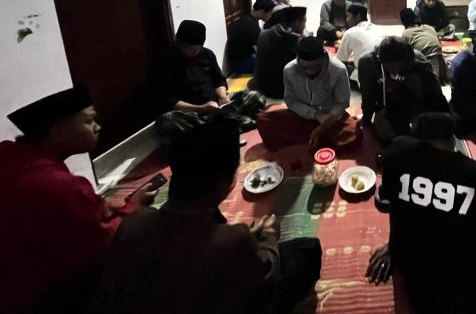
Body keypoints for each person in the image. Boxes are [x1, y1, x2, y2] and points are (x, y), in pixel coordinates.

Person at [91, 117, 321, 314]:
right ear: (225, 184)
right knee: (306, 250)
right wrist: (269, 236)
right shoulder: (232, 240)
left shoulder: (133, 222)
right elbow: (266, 271)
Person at [366, 112, 476, 314]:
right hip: (464, 286)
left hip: (413, 278)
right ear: (453, 141)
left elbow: (391, 202)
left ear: (415, 136)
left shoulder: (398, 154)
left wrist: (395, 245)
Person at [0, 87, 155, 314]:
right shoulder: (61, 185)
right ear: (58, 129)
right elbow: (101, 245)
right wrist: (134, 207)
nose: (98, 127)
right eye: (89, 121)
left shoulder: (8, 154)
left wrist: (96, 206)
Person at [257, 37, 360, 151]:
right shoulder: (289, 70)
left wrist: (323, 127)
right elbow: (291, 101)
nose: (310, 72)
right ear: (298, 60)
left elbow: (342, 103)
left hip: (330, 118)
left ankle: (314, 137)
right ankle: (320, 138)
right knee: (264, 120)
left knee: (354, 133)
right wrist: (315, 115)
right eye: (305, 67)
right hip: (302, 116)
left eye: (315, 67)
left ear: (323, 58)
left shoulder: (338, 69)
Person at [358, 37, 449, 143]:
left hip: (413, 99)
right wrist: (367, 120)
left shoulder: (418, 60)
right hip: (385, 102)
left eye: (398, 67)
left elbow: (435, 92)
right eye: (390, 69)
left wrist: (439, 119)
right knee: (385, 136)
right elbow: (367, 95)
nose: (395, 72)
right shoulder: (367, 63)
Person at [151, 20, 228, 116]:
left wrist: (222, 97)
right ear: (178, 43)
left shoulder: (207, 54)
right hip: (187, 113)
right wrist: (201, 109)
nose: (195, 53)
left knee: (245, 99)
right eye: (189, 49)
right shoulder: (165, 61)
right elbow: (168, 99)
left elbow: (219, 80)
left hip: (213, 106)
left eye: (198, 49)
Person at [249, 7, 307, 99]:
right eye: (305, 22)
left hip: (260, 85)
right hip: (280, 91)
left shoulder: (264, 33)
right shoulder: (293, 41)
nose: (305, 26)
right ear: (297, 22)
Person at [226, 0, 276, 74]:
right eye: (270, 14)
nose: (270, 16)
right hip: (242, 63)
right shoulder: (251, 26)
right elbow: (260, 51)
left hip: (239, 60)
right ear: (262, 12)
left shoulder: (247, 19)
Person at [336, 3, 384, 83]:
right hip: (382, 73)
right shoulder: (378, 29)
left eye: (348, 16)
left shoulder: (350, 32)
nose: (346, 20)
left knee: (339, 66)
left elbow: (340, 59)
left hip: (365, 77)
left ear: (358, 16)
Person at [399, 7, 446, 80]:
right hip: (439, 55)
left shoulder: (405, 33)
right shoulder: (429, 27)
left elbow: (405, 53)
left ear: (402, 22)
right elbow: (437, 41)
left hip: (426, 58)